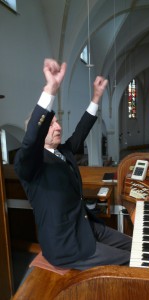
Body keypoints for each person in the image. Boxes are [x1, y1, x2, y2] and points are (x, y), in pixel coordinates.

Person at [14, 58, 131, 270]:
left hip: (86, 226)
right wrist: (50, 89)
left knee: (136, 247)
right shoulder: (30, 163)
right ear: (40, 132)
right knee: (131, 261)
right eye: (50, 125)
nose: (58, 126)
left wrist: (96, 98)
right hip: (67, 245)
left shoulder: (63, 152)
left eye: (57, 121)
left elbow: (81, 131)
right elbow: (31, 138)